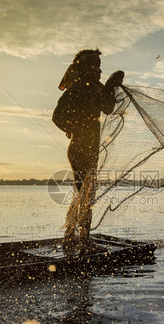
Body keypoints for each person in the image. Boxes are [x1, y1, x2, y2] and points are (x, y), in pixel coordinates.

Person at [52, 49, 124, 254]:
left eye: (101, 67)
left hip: (87, 149)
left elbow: (107, 108)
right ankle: (82, 240)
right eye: (96, 67)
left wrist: (111, 85)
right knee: (86, 194)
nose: (100, 71)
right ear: (85, 69)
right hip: (80, 148)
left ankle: (71, 237)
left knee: (83, 194)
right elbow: (57, 116)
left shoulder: (93, 89)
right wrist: (72, 128)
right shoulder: (78, 91)